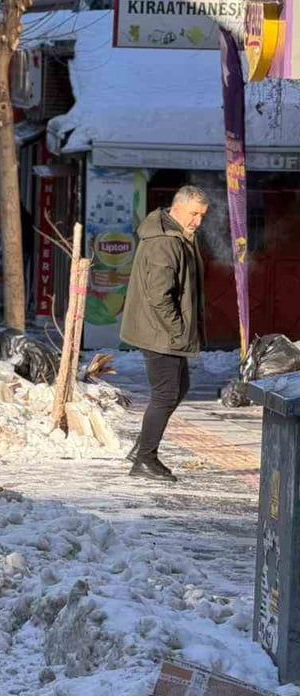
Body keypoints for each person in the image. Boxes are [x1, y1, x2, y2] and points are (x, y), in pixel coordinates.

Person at [120, 185, 209, 482]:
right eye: (194, 214)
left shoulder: (176, 235)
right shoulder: (165, 241)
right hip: (159, 331)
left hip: (161, 329)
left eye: (202, 216)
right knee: (166, 393)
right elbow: (160, 295)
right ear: (177, 207)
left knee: (178, 387)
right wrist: (177, 330)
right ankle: (145, 460)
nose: (198, 221)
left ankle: (141, 449)